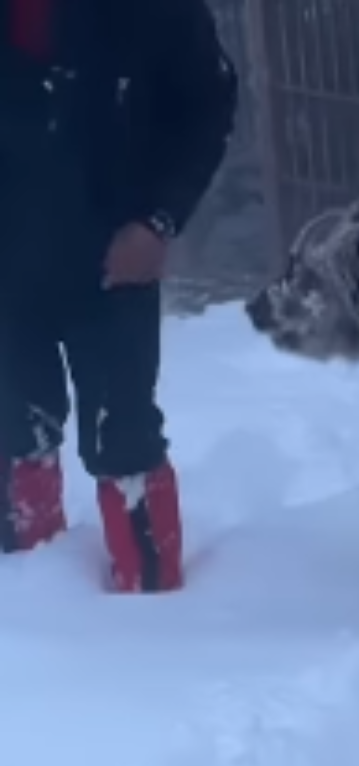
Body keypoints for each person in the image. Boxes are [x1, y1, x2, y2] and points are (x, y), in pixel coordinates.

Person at [0, 0, 238, 592]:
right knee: (13, 430)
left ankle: (151, 620)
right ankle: (29, 598)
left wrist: (159, 222)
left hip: (113, 257)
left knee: (124, 435)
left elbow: (206, 106)